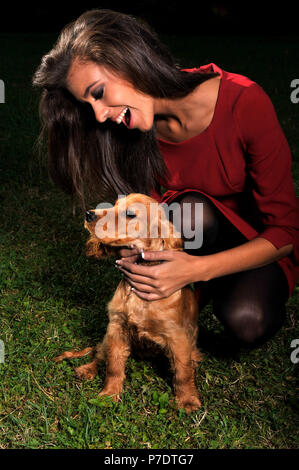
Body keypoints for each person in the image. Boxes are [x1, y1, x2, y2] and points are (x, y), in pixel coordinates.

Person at [33, 9, 299, 348]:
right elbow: (145, 215)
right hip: (187, 240)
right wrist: (134, 254)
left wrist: (197, 270)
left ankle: (212, 283)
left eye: (98, 93)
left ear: (130, 60)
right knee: (189, 212)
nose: (99, 115)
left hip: (257, 245)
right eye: (89, 106)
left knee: (247, 321)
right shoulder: (131, 131)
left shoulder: (245, 102)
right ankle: (193, 288)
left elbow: (286, 231)